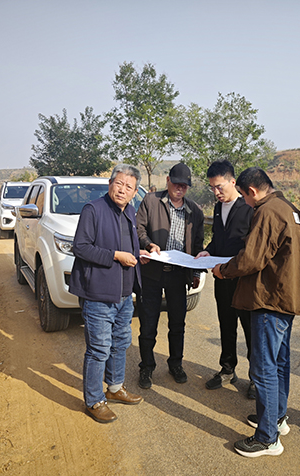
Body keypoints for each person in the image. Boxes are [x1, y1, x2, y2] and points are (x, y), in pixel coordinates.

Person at [213, 168, 300, 458]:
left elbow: (251, 258)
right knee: (279, 362)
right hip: (286, 297)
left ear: (251, 191)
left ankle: (267, 437)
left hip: (269, 299)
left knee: (263, 367)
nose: (245, 203)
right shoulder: (290, 208)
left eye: (244, 197)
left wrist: (223, 270)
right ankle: (276, 418)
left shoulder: (267, 211)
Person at [69, 163, 148, 423]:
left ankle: (114, 388)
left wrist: (139, 253)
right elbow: (80, 247)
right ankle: (94, 400)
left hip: (124, 295)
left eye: (129, 187)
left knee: (120, 343)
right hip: (98, 295)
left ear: (135, 192)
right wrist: (116, 256)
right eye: (119, 183)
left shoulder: (130, 211)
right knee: (99, 349)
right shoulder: (93, 209)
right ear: (110, 183)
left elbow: (127, 245)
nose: (123, 190)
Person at [136, 162, 205, 389]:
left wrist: (195, 272)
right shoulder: (151, 201)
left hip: (178, 275)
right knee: (148, 323)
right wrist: (148, 244)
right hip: (152, 274)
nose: (180, 189)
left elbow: (197, 244)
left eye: (184, 186)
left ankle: (176, 364)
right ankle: (146, 367)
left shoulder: (194, 211)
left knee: (177, 324)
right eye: (176, 184)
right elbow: (139, 228)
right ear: (168, 181)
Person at [195, 160, 254, 398]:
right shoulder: (219, 208)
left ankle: (256, 379)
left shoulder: (249, 207)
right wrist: (208, 251)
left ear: (233, 181)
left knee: (251, 331)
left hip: (244, 281)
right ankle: (228, 369)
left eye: (219, 186)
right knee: (226, 326)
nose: (216, 192)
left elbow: (251, 248)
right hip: (222, 279)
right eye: (212, 188)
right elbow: (219, 239)